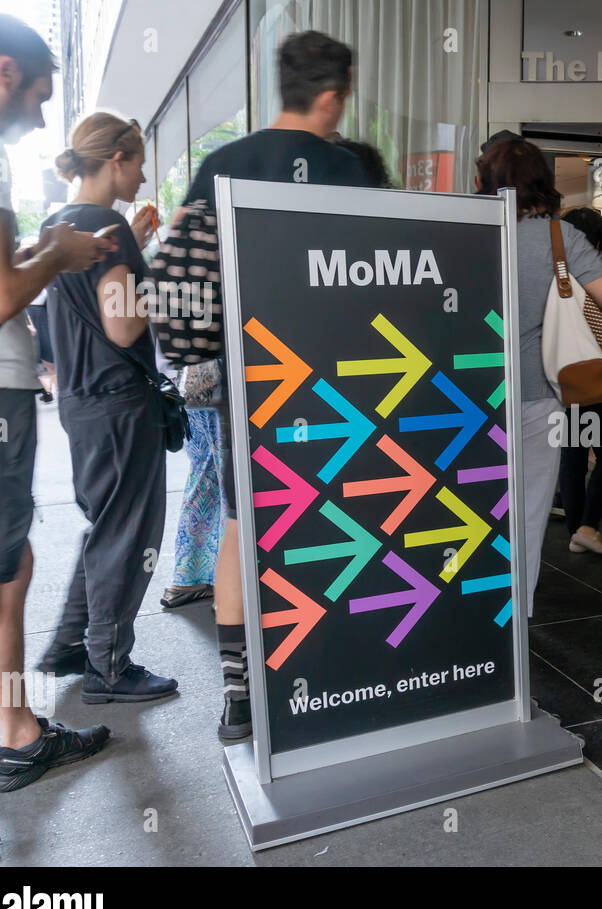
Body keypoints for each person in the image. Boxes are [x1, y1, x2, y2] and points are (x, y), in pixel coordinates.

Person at [0, 13, 114, 866]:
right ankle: (13, 731)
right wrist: (55, 251)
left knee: (5, 567)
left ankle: (18, 731)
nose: (44, 119)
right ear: (6, 71)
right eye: (43, 94)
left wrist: (35, 248)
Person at [180, 30, 374, 740]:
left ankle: (239, 692)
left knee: (242, 522)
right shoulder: (348, 171)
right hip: (328, 380)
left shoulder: (223, 163)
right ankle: (322, 669)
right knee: (327, 515)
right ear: (330, 97)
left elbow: (185, 270)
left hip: (244, 372)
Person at [33, 112, 177, 703]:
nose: (144, 175)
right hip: (121, 403)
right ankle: (109, 667)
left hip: (81, 402)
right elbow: (122, 327)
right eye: (140, 161)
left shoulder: (58, 224)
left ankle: (73, 644)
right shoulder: (107, 228)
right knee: (128, 533)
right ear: (117, 158)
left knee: (106, 528)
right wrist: (155, 275)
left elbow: (81, 316)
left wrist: (133, 249)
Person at [474, 140, 602, 608]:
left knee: (468, 505)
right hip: (537, 395)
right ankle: (514, 610)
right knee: (528, 509)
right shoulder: (558, 237)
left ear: (484, 181)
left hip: (464, 395)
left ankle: (464, 607)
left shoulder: (465, 233)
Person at [557, 205, 602, 556]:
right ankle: (586, 526)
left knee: (573, 453)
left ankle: (573, 528)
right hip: (597, 374)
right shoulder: (601, 275)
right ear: (598, 240)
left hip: (562, 374)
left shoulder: (553, 274)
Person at [161, 359, 225, 609]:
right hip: (224, 386)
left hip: (190, 387)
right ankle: (231, 588)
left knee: (203, 477)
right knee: (232, 482)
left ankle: (188, 577)